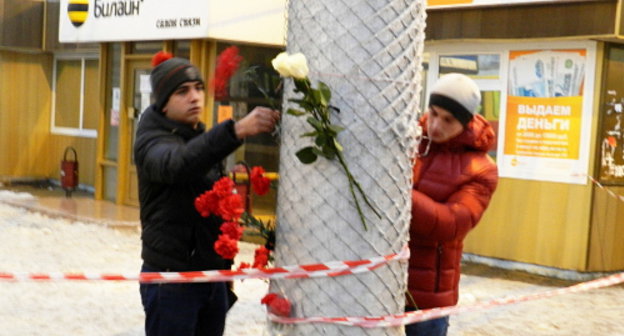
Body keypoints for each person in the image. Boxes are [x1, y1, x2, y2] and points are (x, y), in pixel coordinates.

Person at [134, 51, 279, 336]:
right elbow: (178, 164)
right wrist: (235, 130)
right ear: (163, 104)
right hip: (172, 281)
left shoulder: (196, 136)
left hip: (211, 278)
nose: (195, 97)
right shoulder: (151, 141)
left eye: (199, 88)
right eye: (182, 91)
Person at [406, 73, 499, 336]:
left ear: (466, 122)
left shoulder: (481, 169)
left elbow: (450, 224)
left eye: (448, 120)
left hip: (428, 298)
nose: (435, 125)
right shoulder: (409, 142)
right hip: (382, 280)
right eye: (433, 113)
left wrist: (398, 193)